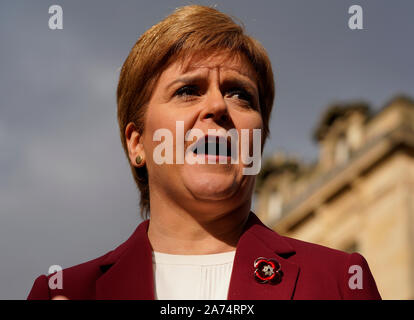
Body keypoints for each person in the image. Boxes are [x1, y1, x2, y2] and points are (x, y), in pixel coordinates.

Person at [27, 5, 381, 300]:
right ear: (138, 144)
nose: (217, 106)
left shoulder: (340, 281)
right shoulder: (64, 291)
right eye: (188, 90)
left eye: (240, 94)